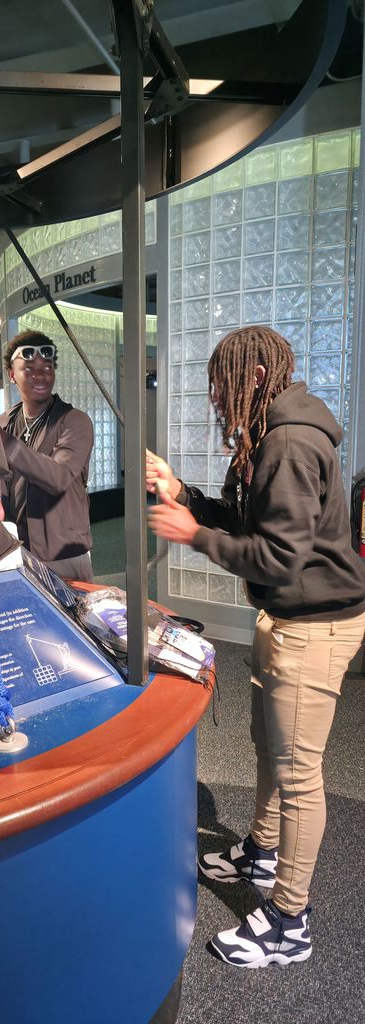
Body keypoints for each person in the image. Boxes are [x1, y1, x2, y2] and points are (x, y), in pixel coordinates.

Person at [146, 325, 365, 969]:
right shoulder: (274, 433)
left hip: (313, 625)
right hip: (289, 618)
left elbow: (277, 556)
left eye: (224, 382)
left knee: (299, 774)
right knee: (270, 746)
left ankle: (288, 921)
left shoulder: (290, 443)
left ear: (258, 378)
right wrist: (186, 497)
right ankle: (261, 851)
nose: (218, 397)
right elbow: (253, 524)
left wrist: (192, 536)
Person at [0, 330, 94, 581]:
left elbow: (59, 477)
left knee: (73, 618)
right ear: (12, 374)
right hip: (15, 550)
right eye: (29, 368)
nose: (40, 374)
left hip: (64, 555)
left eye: (47, 367)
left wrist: (3, 442)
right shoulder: (2, 424)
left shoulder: (74, 422)